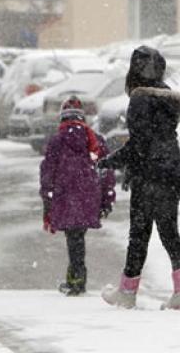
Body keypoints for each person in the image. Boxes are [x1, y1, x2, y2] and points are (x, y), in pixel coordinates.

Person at [99, 46, 180, 309]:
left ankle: (127, 292)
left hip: (148, 176)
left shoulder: (140, 99)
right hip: (170, 173)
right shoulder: (169, 98)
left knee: (139, 235)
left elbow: (139, 144)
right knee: (170, 234)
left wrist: (110, 161)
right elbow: (161, 139)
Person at [40, 95, 116, 296]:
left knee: (74, 237)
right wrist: (107, 199)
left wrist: (47, 198)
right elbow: (106, 171)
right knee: (77, 236)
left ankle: (76, 280)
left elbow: (47, 172)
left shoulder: (57, 141)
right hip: (89, 197)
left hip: (65, 196)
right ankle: (76, 278)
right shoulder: (95, 140)